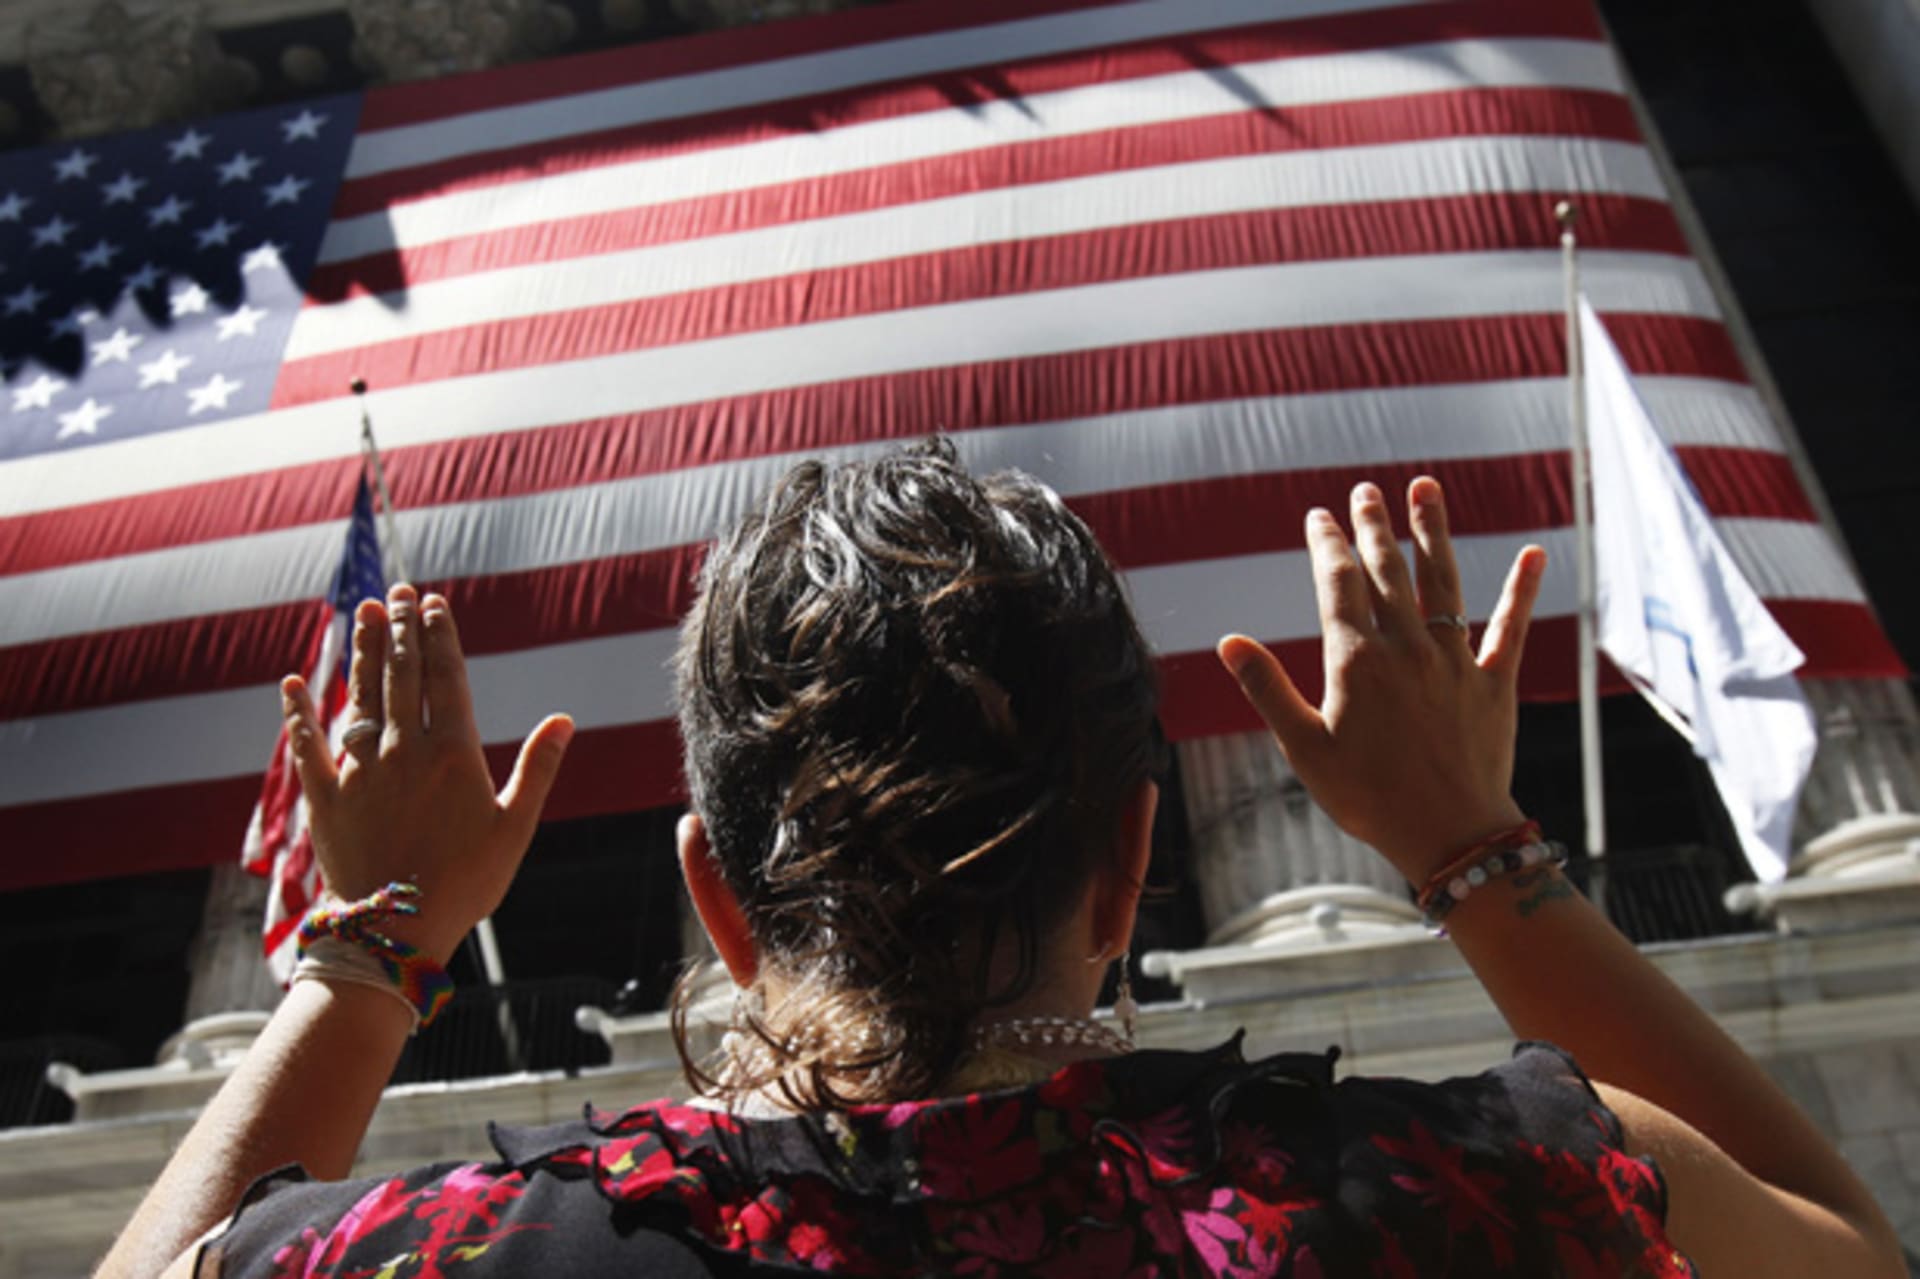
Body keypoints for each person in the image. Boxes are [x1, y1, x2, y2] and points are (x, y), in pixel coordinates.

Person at [100, 443, 1904, 1278]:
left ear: (714, 896)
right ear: (1138, 863)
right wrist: (1471, 847)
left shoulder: (477, 1259)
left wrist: (366, 954)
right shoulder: (1465, 1200)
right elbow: (1842, 1254)